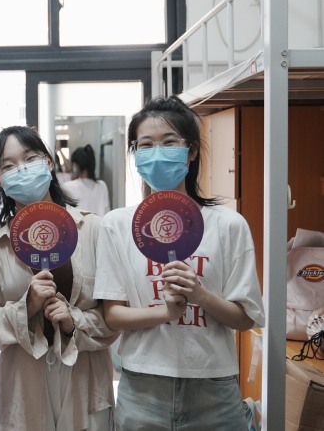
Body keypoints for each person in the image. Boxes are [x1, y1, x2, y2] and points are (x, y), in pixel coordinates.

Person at [93, 96, 265, 431]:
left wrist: (201, 296)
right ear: (135, 154)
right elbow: (112, 315)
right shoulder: (117, 225)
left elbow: (246, 318)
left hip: (214, 387)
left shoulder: (228, 225)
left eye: (169, 142)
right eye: (146, 145)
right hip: (143, 387)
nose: (157, 152)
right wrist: (165, 312)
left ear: (192, 151)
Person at [0, 125, 119, 431]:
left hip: (86, 379)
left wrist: (72, 322)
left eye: (30, 159)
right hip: (24, 384)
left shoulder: (93, 231)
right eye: (8, 166)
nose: (21, 170)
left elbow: (114, 317)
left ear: (48, 163)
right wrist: (26, 307)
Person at [62, 145, 111, 216]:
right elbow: (107, 211)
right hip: (100, 222)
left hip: (79, 223)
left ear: (75, 165)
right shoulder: (102, 185)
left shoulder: (68, 186)